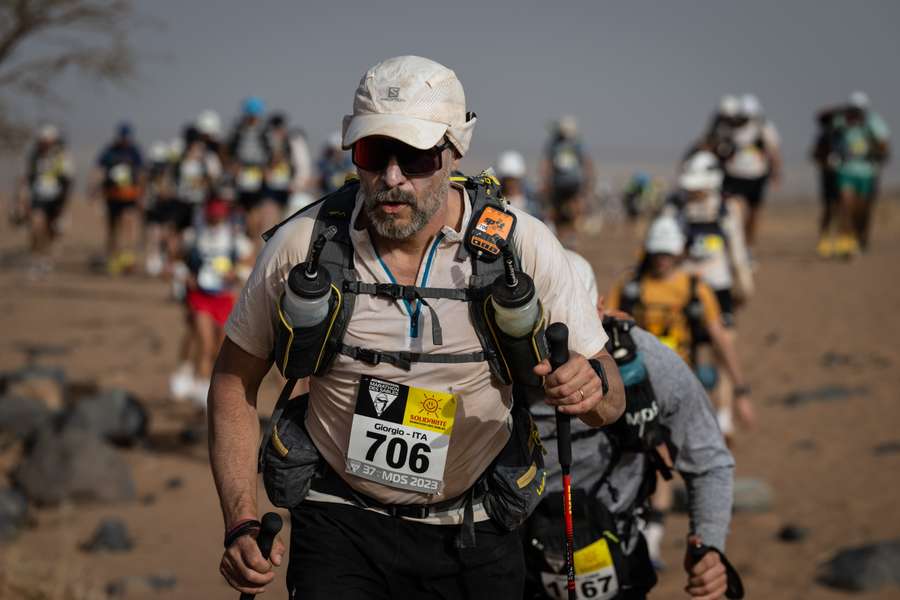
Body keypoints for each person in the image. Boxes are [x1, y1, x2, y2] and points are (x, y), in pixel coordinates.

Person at [209, 55, 625, 599]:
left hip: (476, 529)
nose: (391, 178)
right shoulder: (303, 246)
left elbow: (609, 397)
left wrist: (590, 385)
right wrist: (241, 519)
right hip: (338, 522)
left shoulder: (523, 247)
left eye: (417, 156)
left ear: (455, 151)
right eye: (373, 152)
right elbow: (232, 383)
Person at [525, 251, 736, 600]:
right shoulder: (483, 365)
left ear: (600, 311)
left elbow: (709, 459)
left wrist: (709, 546)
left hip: (618, 550)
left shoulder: (645, 361)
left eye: (576, 321)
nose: (559, 344)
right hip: (510, 557)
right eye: (545, 328)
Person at [606, 215, 754, 442]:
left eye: (668, 253)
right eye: (658, 253)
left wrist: (740, 391)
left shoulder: (696, 289)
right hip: (637, 382)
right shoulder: (629, 287)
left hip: (680, 379)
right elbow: (601, 325)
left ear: (679, 252)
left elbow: (721, 341)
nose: (662, 259)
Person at [178, 196, 252, 408]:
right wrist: (185, 275)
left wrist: (235, 273)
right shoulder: (193, 235)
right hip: (200, 296)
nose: (215, 220)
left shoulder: (234, 237)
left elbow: (248, 260)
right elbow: (178, 259)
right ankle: (200, 391)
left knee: (218, 349)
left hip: (223, 297)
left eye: (218, 218)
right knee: (204, 342)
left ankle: (206, 386)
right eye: (212, 217)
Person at [831, 92, 891, 256]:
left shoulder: (873, 122)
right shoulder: (841, 121)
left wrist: (878, 153)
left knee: (862, 210)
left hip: (867, 171)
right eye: (853, 109)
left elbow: (884, 143)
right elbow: (826, 125)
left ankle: (861, 237)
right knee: (845, 205)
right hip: (846, 170)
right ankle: (846, 242)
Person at [721, 94, 782, 247]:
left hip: (757, 176)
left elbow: (773, 151)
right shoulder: (728, 128)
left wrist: (776, 173)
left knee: (754, 214)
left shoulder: (764, 128)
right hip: (734, 175)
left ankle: (748, 245)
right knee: (737, 211)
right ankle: (738, 244)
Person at [20, 124, 74, 275]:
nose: (45, 143)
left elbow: (68, 181)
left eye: (48, 140)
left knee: (51, 231)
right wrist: (23, 199)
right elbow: (26, 178)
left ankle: (46, 259)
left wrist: (63, 205)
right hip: (38, 198)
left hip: (56, 200)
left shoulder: (62, 156)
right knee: (36, 226)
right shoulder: (34, 156)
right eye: (43, 140)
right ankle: (35, 258)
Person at [92, 122, 144, 275]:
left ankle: (128, 258)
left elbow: (141, 173)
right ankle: (113, 258)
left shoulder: (134, 152)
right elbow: (99, 169)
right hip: (112, 196)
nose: (125, 140)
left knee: (129, 223)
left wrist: (141, 193)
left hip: (130, 195)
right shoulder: (109, 151)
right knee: (112, 228)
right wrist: (95, 188)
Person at [540, 115, 594, 249]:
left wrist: (589, 180)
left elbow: (586, 162)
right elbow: (547, 163)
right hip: (557, 184)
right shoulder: (554, 143)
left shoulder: (577, 143)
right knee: (557, 211)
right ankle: (559, 237)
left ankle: (573, 237)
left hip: (574, 183)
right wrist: (545, 180)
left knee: (574, 210)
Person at [227, 96, 270, 243]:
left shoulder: (264, 131)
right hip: (242, 174)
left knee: (256, 208)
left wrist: (266, 170)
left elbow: (271, 153)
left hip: (257, 174)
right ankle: (247, 239)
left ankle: (255, 239)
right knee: (243, 209)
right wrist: (234, 168)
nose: (253, 118)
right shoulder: (238, 131)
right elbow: (230, 151)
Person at [810, 106, 845, 257]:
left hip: (844, 176)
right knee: (829, 210)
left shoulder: (842, 136)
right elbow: (814, 155)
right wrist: (826, 163)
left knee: (843, 209)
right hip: (828, 177)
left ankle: (844, 242)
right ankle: (824, 242)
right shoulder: (823, 137)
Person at [143, 141, 176, 276]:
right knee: (153, 237)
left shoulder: (169, 175)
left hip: (165, 211)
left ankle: (164, 263)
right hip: (153, 211)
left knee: (166, 236)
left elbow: (168, 193)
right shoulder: (148, 176)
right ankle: (153, 263)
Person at [496, 150, 542, 219]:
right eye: (508, 180)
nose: (511, 184)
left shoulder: (532, 206)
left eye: (514, 180)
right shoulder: (495, 204)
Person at [316, 130, 354, 195]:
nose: (337, 155)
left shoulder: (349, 163)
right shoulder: (324, 164)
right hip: (328, 197)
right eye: (334, 151)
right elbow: (318, 183)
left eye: (338, 152)